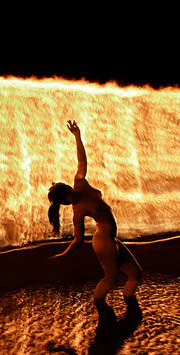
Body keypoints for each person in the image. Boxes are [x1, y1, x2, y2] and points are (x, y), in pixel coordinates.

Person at [48, 120, 143, 321]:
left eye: (67, 187)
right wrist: (64, 255)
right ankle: (100, 307)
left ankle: (130, 306)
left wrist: (77, 137)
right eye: (66, 192)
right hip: (103, 241)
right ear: (65, 199)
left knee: (135, 274)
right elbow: (78, 241)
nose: (69, 189)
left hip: (112, 238)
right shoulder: (78, 212)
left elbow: (82, 161)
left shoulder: (81, 183)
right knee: (110, 278)